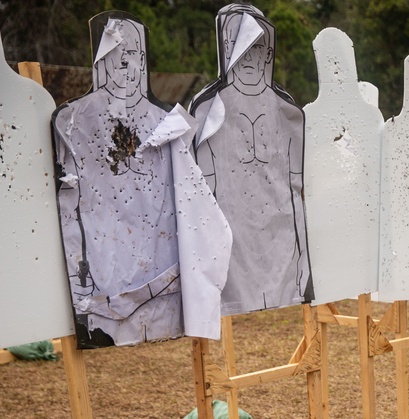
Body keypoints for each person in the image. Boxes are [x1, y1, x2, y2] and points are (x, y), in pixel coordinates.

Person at [53, 13, 180, 347]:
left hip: (160, 280)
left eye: (133, 53)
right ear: (101, 59)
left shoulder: (166, 122)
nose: (125, 63)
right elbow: (71, 207)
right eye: (115, 54)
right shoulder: (72, 120)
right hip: (100, 278)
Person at [190, 4, 311, 316]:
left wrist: (303, 267)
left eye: (255, 47)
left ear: (268, 52)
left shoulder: (287, 112)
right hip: (231, 251)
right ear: (224, 49)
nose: (246, 57)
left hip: (280, 245)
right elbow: (202, 199)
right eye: (236, 46)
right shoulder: (207, 109)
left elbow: (296, 190)